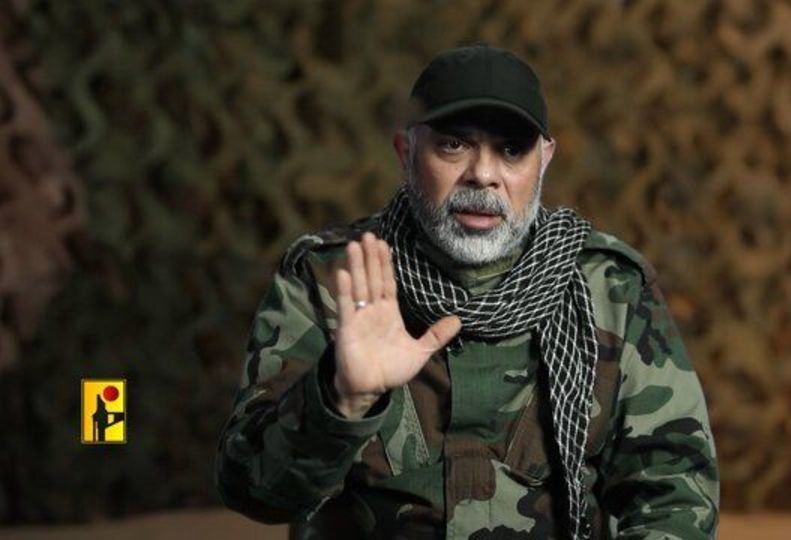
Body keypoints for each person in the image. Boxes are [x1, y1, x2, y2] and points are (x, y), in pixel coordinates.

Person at [215, 44, 719, 539]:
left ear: (544, 160)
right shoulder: (329, 280)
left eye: (511, 150)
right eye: (453, 145)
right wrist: (342, 398)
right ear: (406, 151)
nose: (482, 174)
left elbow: (674, 492)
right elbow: (253, 492)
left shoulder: (611, 289)